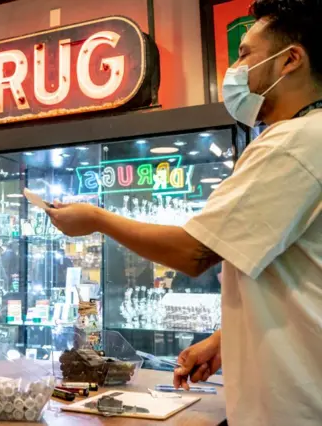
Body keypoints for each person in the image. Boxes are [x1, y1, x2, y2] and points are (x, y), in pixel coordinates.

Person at [45, 1, 322, 424]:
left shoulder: (293, 143)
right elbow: (298, 275)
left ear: (289, 60)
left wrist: (97, 219)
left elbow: (194, 253)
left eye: (246, 53)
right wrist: (226, 339)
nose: (235, 68)